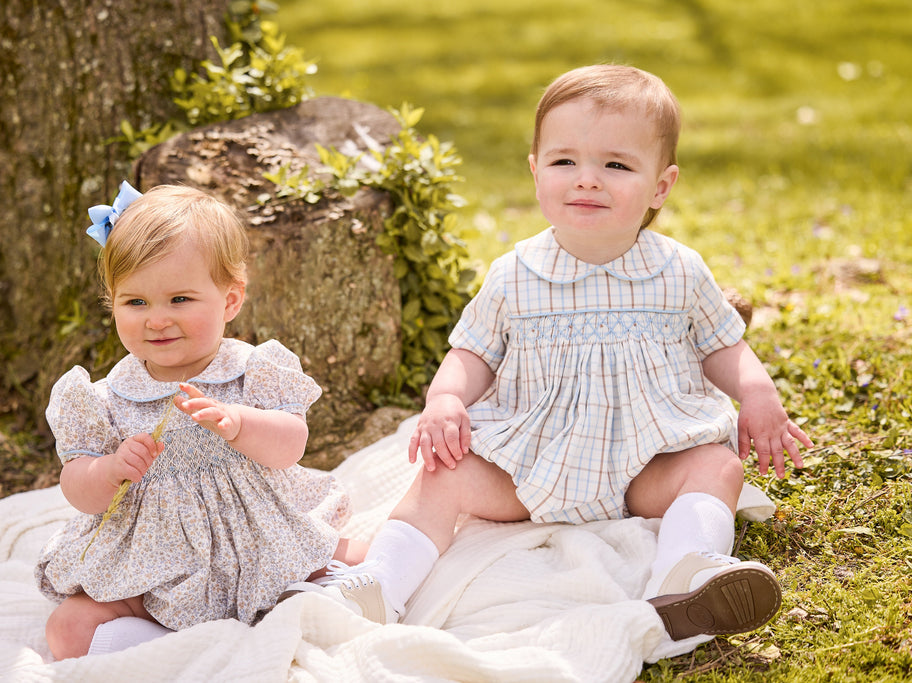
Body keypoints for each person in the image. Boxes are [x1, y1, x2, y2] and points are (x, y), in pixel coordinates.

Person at [294, 64, 812, 645]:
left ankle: (685, 578)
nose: (587, 179)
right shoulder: (516, 273)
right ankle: (379, 586)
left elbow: (724, 343)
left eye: (616, 165)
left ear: (660, 186)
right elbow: (474, 352)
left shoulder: (678, 270)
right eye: (565, 161)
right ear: (536, 170)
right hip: (532, 464)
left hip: (647, 461)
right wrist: (444, 399)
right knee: (444, 475)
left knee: (716, 467)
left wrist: (759, 394)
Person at [36, 182, 365, 660]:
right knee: (67, 631)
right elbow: (76, 485)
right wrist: (107, 472)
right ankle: (181, 652)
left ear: (230, 301)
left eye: (180, 300)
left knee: (354, 561)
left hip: (259, 542)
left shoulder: (253, 370)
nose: (157, 320)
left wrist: (240, 424)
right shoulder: (101, 398)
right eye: (136, 303)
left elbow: (290, 445)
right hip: (152, 561)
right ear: (113, 302)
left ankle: (297, 611)